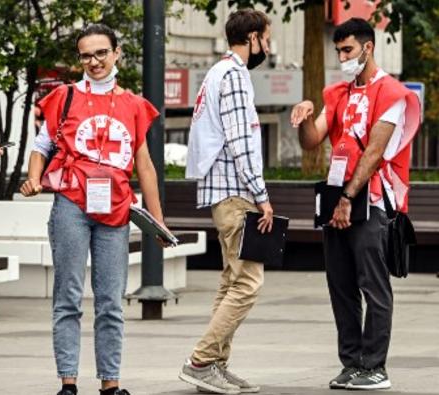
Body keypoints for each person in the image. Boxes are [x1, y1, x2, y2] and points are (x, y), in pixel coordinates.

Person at [20, 23, 168, 395]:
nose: (95, 61)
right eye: (86, 55)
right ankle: (68, 382)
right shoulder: (65, 97)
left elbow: (145, 166)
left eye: (102, 52)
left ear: (117, 53)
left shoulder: (134, 105)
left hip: (116, 210)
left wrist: (158, 223)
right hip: (71, 204)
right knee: (68, 296)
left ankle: (110, 384)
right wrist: (34, 178)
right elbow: (41, 147)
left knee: (110, 301)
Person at [290, 17, 420, 391]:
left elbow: (376, 151)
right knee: (341, 285)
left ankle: (375, 366)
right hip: (337, 198)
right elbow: (312, 140)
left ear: (367, 47)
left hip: (372, 199)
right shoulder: (337, 94)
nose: (342, 57)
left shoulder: (392, 93)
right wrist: (303, 116)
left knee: (372, 285)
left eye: (347, 50)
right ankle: (351, 364)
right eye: (338, 51)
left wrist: (349, 197)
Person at [180, 8, 274, 395]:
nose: (268, 47)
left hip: (221, 192)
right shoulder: (234, 76)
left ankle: (216, 364)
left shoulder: (217, 73)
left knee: (231, 280)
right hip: (236, 193)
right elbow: (240, 141)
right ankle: (201, 361)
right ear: (251, 37)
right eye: (265, 39)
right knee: (249, 282)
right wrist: (262, 196)